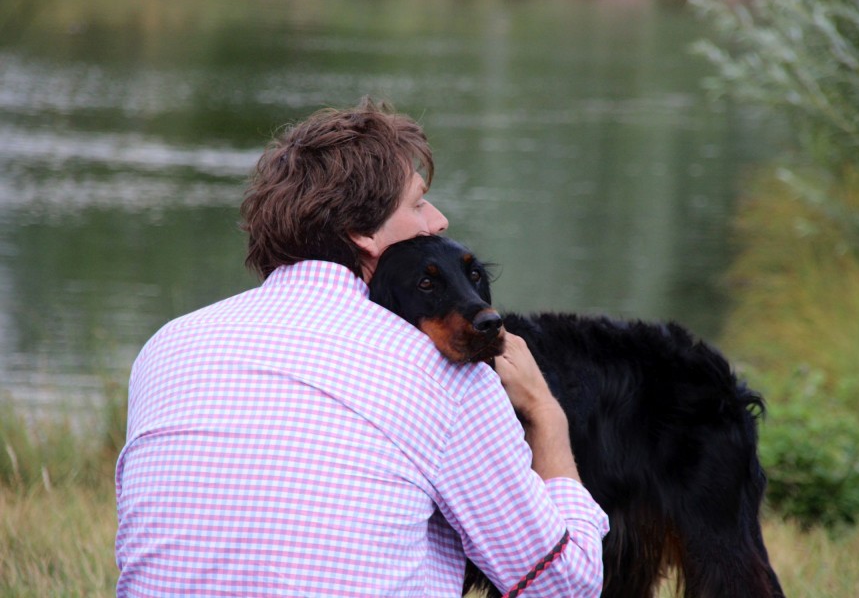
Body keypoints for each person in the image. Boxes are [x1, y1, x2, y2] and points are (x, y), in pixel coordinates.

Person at [115, 97, 608, 597]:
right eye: (417, 203)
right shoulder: (441, 371)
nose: (439, 220)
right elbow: (564, 586)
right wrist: (546, 414)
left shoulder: (167, 347)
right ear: (362, 231)